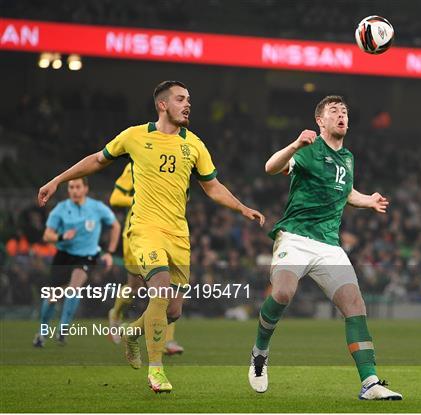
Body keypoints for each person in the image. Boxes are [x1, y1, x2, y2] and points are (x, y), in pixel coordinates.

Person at [38, 80, 265, 393]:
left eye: (189, 100)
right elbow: (97, 159)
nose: (188, 105)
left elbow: (212, 186)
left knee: (173, 311)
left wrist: (241, 207)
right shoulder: (134, 136)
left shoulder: (194, 144)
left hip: (178, 234)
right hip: (145, 229)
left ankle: (133, 331)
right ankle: (155, 370)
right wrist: (58, 179)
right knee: (159, 289)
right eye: (181, 99)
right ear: (163, 104)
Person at [248, 95, 402, 400]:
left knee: (355, 306)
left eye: (345, 111)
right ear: (321, 121)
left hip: (329, 245)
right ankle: (259, 353)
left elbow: (344, 192)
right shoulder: (309, 150)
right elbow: (270, 167)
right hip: (295, 237)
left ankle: (370, 382)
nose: (342, 115)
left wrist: (366, 199)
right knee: (282, 294)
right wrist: (294, 145)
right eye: (335, 111)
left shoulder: (348, 157)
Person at [33, 177, 120, 347]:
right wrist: (61, 236)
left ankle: (62, 330)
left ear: (85, 189)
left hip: (87, 256)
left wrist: (109, 252)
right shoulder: (60, 209)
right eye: (71, 187)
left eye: (78, 187)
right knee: (51, 297)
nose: (74, 190)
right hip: (64, 255)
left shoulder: (97, 208)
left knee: (74, 287)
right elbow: (47, 236)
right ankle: (42, 333)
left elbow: (115, 226)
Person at [108, 162, 184, 355]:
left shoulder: (171, 165)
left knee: (167, 286)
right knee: (134, 286)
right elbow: (115, 197)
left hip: (166, 233)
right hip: (138, 234)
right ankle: (115, 314)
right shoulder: (134, 165)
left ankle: (167, 339)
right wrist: (141, 199)